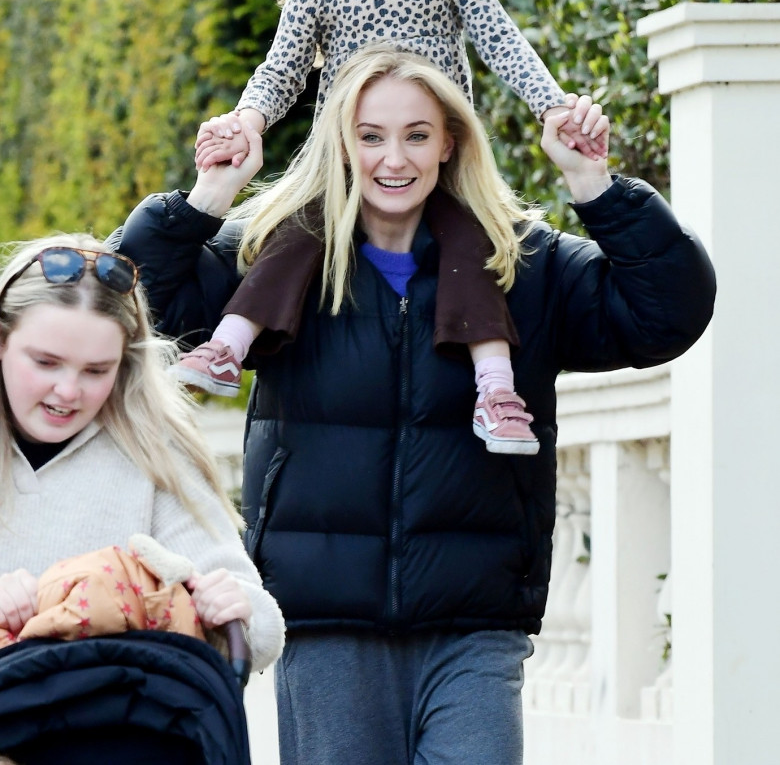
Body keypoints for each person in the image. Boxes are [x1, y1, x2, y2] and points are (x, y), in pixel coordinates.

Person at [110, 46, 716, 765]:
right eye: (370, 135)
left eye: (416, 135)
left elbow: (667, 313)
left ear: (449, 142)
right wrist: (211, 194)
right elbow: (127, 299)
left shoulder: (523, 265)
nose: (392, 158)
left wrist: (595, 184)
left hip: (475, 624)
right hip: (327, 623)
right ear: (342, 142)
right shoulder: (273, 261)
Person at [174, 0, 609, 456]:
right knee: (294, 238)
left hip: (436, 160)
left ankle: (496, 389)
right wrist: (244, 122)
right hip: (347, 161)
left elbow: (501, 39)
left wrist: (550, 107)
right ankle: (227, 347)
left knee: (472, 250)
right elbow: (281, 70)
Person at [0, 235, 285, 673]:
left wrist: (235, 609)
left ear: (125, 363)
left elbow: (259, 634)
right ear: (3, 343)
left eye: (97, 370)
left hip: (115, 729)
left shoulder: (153, 450)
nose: (69, 391)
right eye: (46, 362)